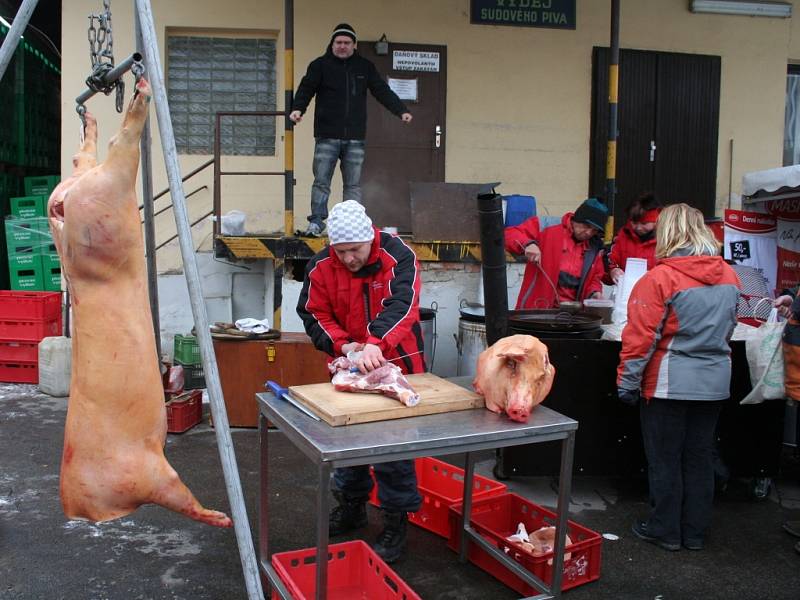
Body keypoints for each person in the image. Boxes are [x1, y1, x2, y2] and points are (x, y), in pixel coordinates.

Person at [296, 199, 424, 563]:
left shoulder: (399, 256)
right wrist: (344, 344)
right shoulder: (321, 266)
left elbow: (404, 304)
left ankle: (395, 521)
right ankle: (352, 507)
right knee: (347, 444)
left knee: (392, 448)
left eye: (355, 250)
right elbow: (312, 312)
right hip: (347, 366)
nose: (349, 258)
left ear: (370, 238)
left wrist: (374, 344)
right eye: (341, 251)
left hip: (397, 361)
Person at [617, 203, 740, 552]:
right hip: (715, 382)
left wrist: (627, 383)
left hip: (669, 384)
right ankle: (695, 532)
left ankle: (665, 529)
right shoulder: (730, 275)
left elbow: (640, 339)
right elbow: (730, 328)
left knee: (665, 459)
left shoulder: (660, 278)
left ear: (667, 233)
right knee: (699, 457)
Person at [290, 24, 413, 237]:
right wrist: (297, 109)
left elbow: (381, 91)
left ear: (354, 45)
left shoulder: (364, 67)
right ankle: (317, 222)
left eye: (347, 43)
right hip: (326, 135)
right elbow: (306, 89)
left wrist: (401, 110)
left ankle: (352, 223)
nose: (342, 46)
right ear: (332, 43)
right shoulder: (319, 66)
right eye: (338, 42)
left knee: (353, 185)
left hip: (355, 138)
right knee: (321, 181)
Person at [505, 197, 608, 309]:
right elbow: (510, 234)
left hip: (572, 315)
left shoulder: (595, 247)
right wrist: (528, 244)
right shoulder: (547, 225)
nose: (588, 233)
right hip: (536, 309)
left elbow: (594, 279)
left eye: (594, 230)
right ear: (577, 218)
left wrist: (594, 293)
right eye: (586, 226)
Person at [605, 192, 663, 285]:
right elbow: (609, 261)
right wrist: (612, 270)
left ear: (656, 221)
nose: (639, 228)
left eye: (644, 223)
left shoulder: (666, 241)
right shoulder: (622, 236)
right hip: (627, 293)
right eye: (634, 223)